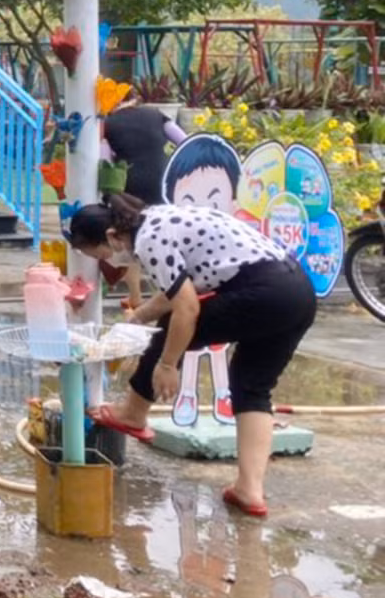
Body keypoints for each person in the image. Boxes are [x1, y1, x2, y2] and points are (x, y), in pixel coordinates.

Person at [70, 192, 315, 518]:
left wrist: (168, 364)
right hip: (298, 293)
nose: (106, 260)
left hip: (264, 291)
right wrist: (138, 316)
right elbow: (178, 290)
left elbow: (186, 307)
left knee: (173, 327)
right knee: (252, 387)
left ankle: (133, 412)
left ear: (113, 236)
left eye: (98, 253)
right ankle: (249, 490)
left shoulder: (147, 239)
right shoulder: (158, 219)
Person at [101, 87, 188, 305]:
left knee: (133, 237)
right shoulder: (155, 114)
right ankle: (172, 292)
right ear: (135, 100)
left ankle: (135, 296)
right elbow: (184, 142)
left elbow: (104, 161)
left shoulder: (108, 125)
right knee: (166, 233)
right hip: (164, 181)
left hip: (130, 187)